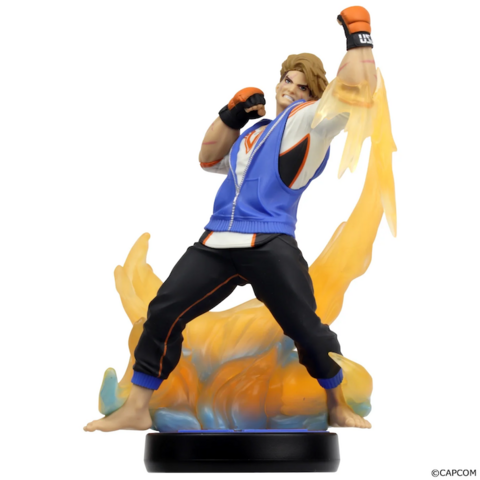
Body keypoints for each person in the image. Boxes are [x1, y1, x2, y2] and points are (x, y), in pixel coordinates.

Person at [85, 6, 376, 433]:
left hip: (269, 241)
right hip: (217, 241)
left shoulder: (311, 123)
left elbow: (357, 89)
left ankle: (335, 402)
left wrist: (358, 35)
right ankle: (137, 408)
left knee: (305, 327)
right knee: (163, 313)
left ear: (313, 93)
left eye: (302, 85)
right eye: (287, 80)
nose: (290, 89)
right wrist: (231, 115)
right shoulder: (255, 133)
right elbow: (208, 159)